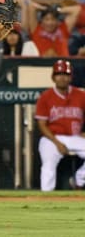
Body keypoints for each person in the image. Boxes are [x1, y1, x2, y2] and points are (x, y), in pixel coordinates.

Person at [35, 60, 85, 191]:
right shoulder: (45, 97)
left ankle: (78, 180)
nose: (62, 77)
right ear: (53, 77)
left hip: (75, 137)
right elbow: (41, 124)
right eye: (59, 74)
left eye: (65, 74)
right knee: (48, 166)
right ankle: (46, 197)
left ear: (70, 77)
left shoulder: (81, 95)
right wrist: (57, 143)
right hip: (51, 138)